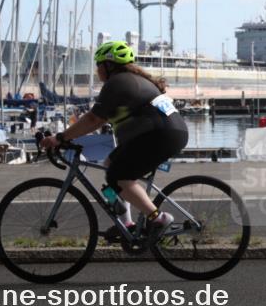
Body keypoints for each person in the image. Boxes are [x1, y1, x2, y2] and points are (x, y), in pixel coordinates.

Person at [39, 41, 188, 244]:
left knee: (119, 177)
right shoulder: (131, 80)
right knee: (110, 167)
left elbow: (93, 120)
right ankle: (126, 224)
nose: (96, 69)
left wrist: (61, 138)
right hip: (165, 133)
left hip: (160, 135)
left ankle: (159, 218)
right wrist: (68, 136)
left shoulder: (118, 83)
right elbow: (94, 121)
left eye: (98, 64)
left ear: (108, 65)